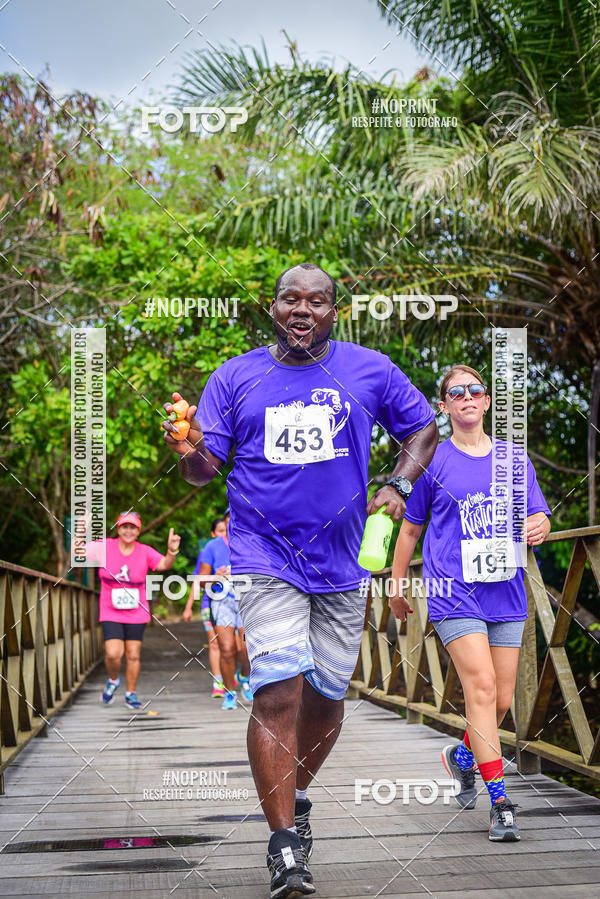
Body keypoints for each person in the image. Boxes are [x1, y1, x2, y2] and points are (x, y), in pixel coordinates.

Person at [162, 262, 438, 898]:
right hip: (264, 555)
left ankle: (299, 793)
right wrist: (188, 449)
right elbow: (206, 470)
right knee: (276, 692)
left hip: (345, 560)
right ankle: (284, 843)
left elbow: (423, 428)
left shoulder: (368, 368)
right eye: (291, 299)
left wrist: (398, 485)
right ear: (275, 307)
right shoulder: (235, 376)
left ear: (334, 312)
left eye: (317, 301)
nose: (302, 310)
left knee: (325, 700)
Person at [390, 364, 551, 842]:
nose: (465, 397)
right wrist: (397, 586)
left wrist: (540, 526)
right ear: (444, 407)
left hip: (505, 590)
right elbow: (411, 529)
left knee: (500, 700)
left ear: (485, 402)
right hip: (452, 591)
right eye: (454, 392)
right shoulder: (431, 461)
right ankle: (500, 802)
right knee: (480, 690)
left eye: (474, 390)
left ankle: (462, 758)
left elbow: (537, 513)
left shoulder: (513, 459)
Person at [83, 511, 180, 709]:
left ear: (138, 531)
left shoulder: (144, 551)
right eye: (125, 526)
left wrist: (171, 552)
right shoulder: (105, 546)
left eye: (133, 527)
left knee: (133, 654)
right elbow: (78, 552)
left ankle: (131, 693)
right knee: (113, 654)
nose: (129, 530)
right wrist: (81, 528)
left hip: (136, 610)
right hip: (110, 609)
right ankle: (113, 680)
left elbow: (163, 564)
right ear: (118, 528)